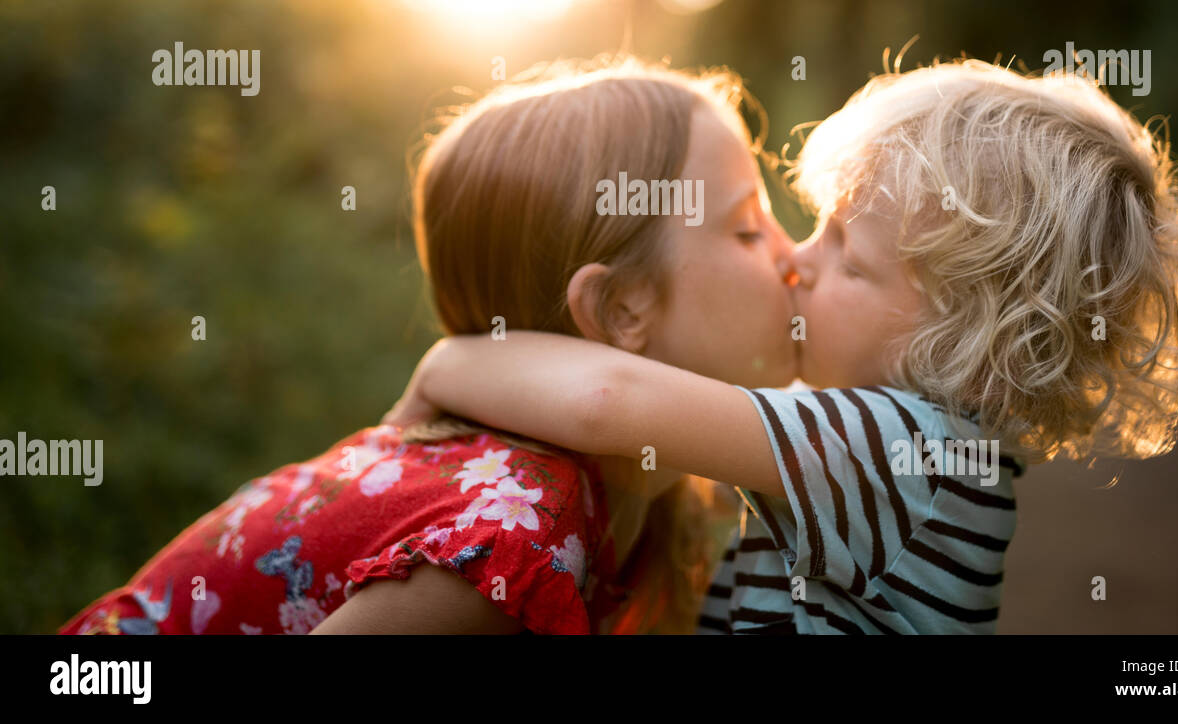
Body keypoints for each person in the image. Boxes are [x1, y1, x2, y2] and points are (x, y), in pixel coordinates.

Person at [386, 59, 1178, 633]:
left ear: (962, 335)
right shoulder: (922, 454)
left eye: (847, 253)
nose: (798, 262)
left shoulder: (908, 454)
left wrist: (449, 364)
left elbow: (611, 403)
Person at [59, 56, 799, 635]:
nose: (790, 255)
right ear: (620, 308)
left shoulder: (659, 498)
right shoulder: (520, 523)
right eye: (746, 227)